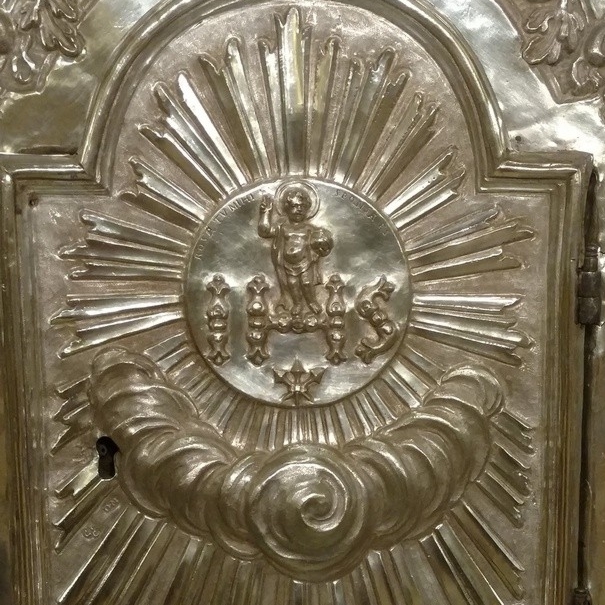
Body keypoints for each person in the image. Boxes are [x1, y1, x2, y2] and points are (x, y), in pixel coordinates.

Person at [258, 182, 333, 316]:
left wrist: (323, 248)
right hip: (288, 265)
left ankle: (311, 302)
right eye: (294, 206)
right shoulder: (282, 227)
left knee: (306, 282)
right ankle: (297, 303)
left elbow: (323, 244)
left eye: (302, 207)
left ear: (307, 209)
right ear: (286, 208)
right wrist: (266, 212)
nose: (299, 210)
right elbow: (265, 232)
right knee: (292, 284)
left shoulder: (310, 229)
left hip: (305, 263)